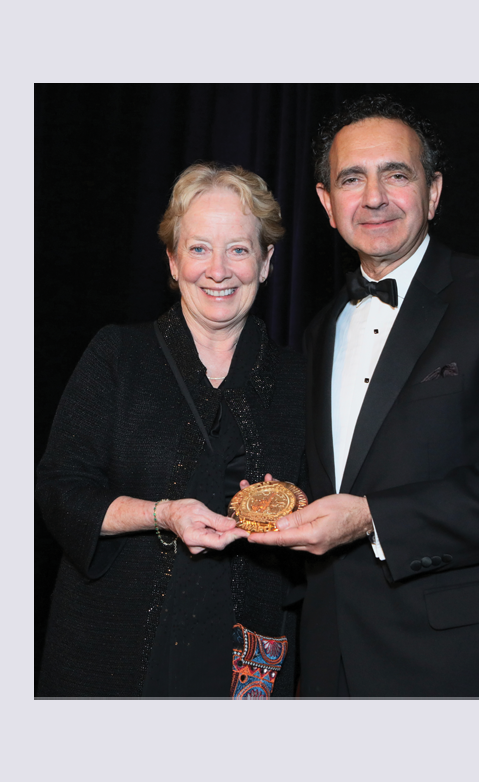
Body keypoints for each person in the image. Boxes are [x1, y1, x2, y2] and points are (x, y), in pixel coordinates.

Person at [248, 95, 479, 696]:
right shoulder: (321, 327)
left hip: (463, 666)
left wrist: (373, 517)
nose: (374, 196)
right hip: (332, 663)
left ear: (432, 192)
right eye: (352, 178)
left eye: (396, 174)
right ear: (327, 203)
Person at [36, 163, 305, 696]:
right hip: (112, 642)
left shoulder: (300, 375)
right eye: (200, 248)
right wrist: (162, 513)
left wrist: (296, 501)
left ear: (267, 261)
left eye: (239, 249)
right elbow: (60, 491)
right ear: (173, 260)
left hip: (247, 651)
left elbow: (327, 496)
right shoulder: (117, 354)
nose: (219, 270)